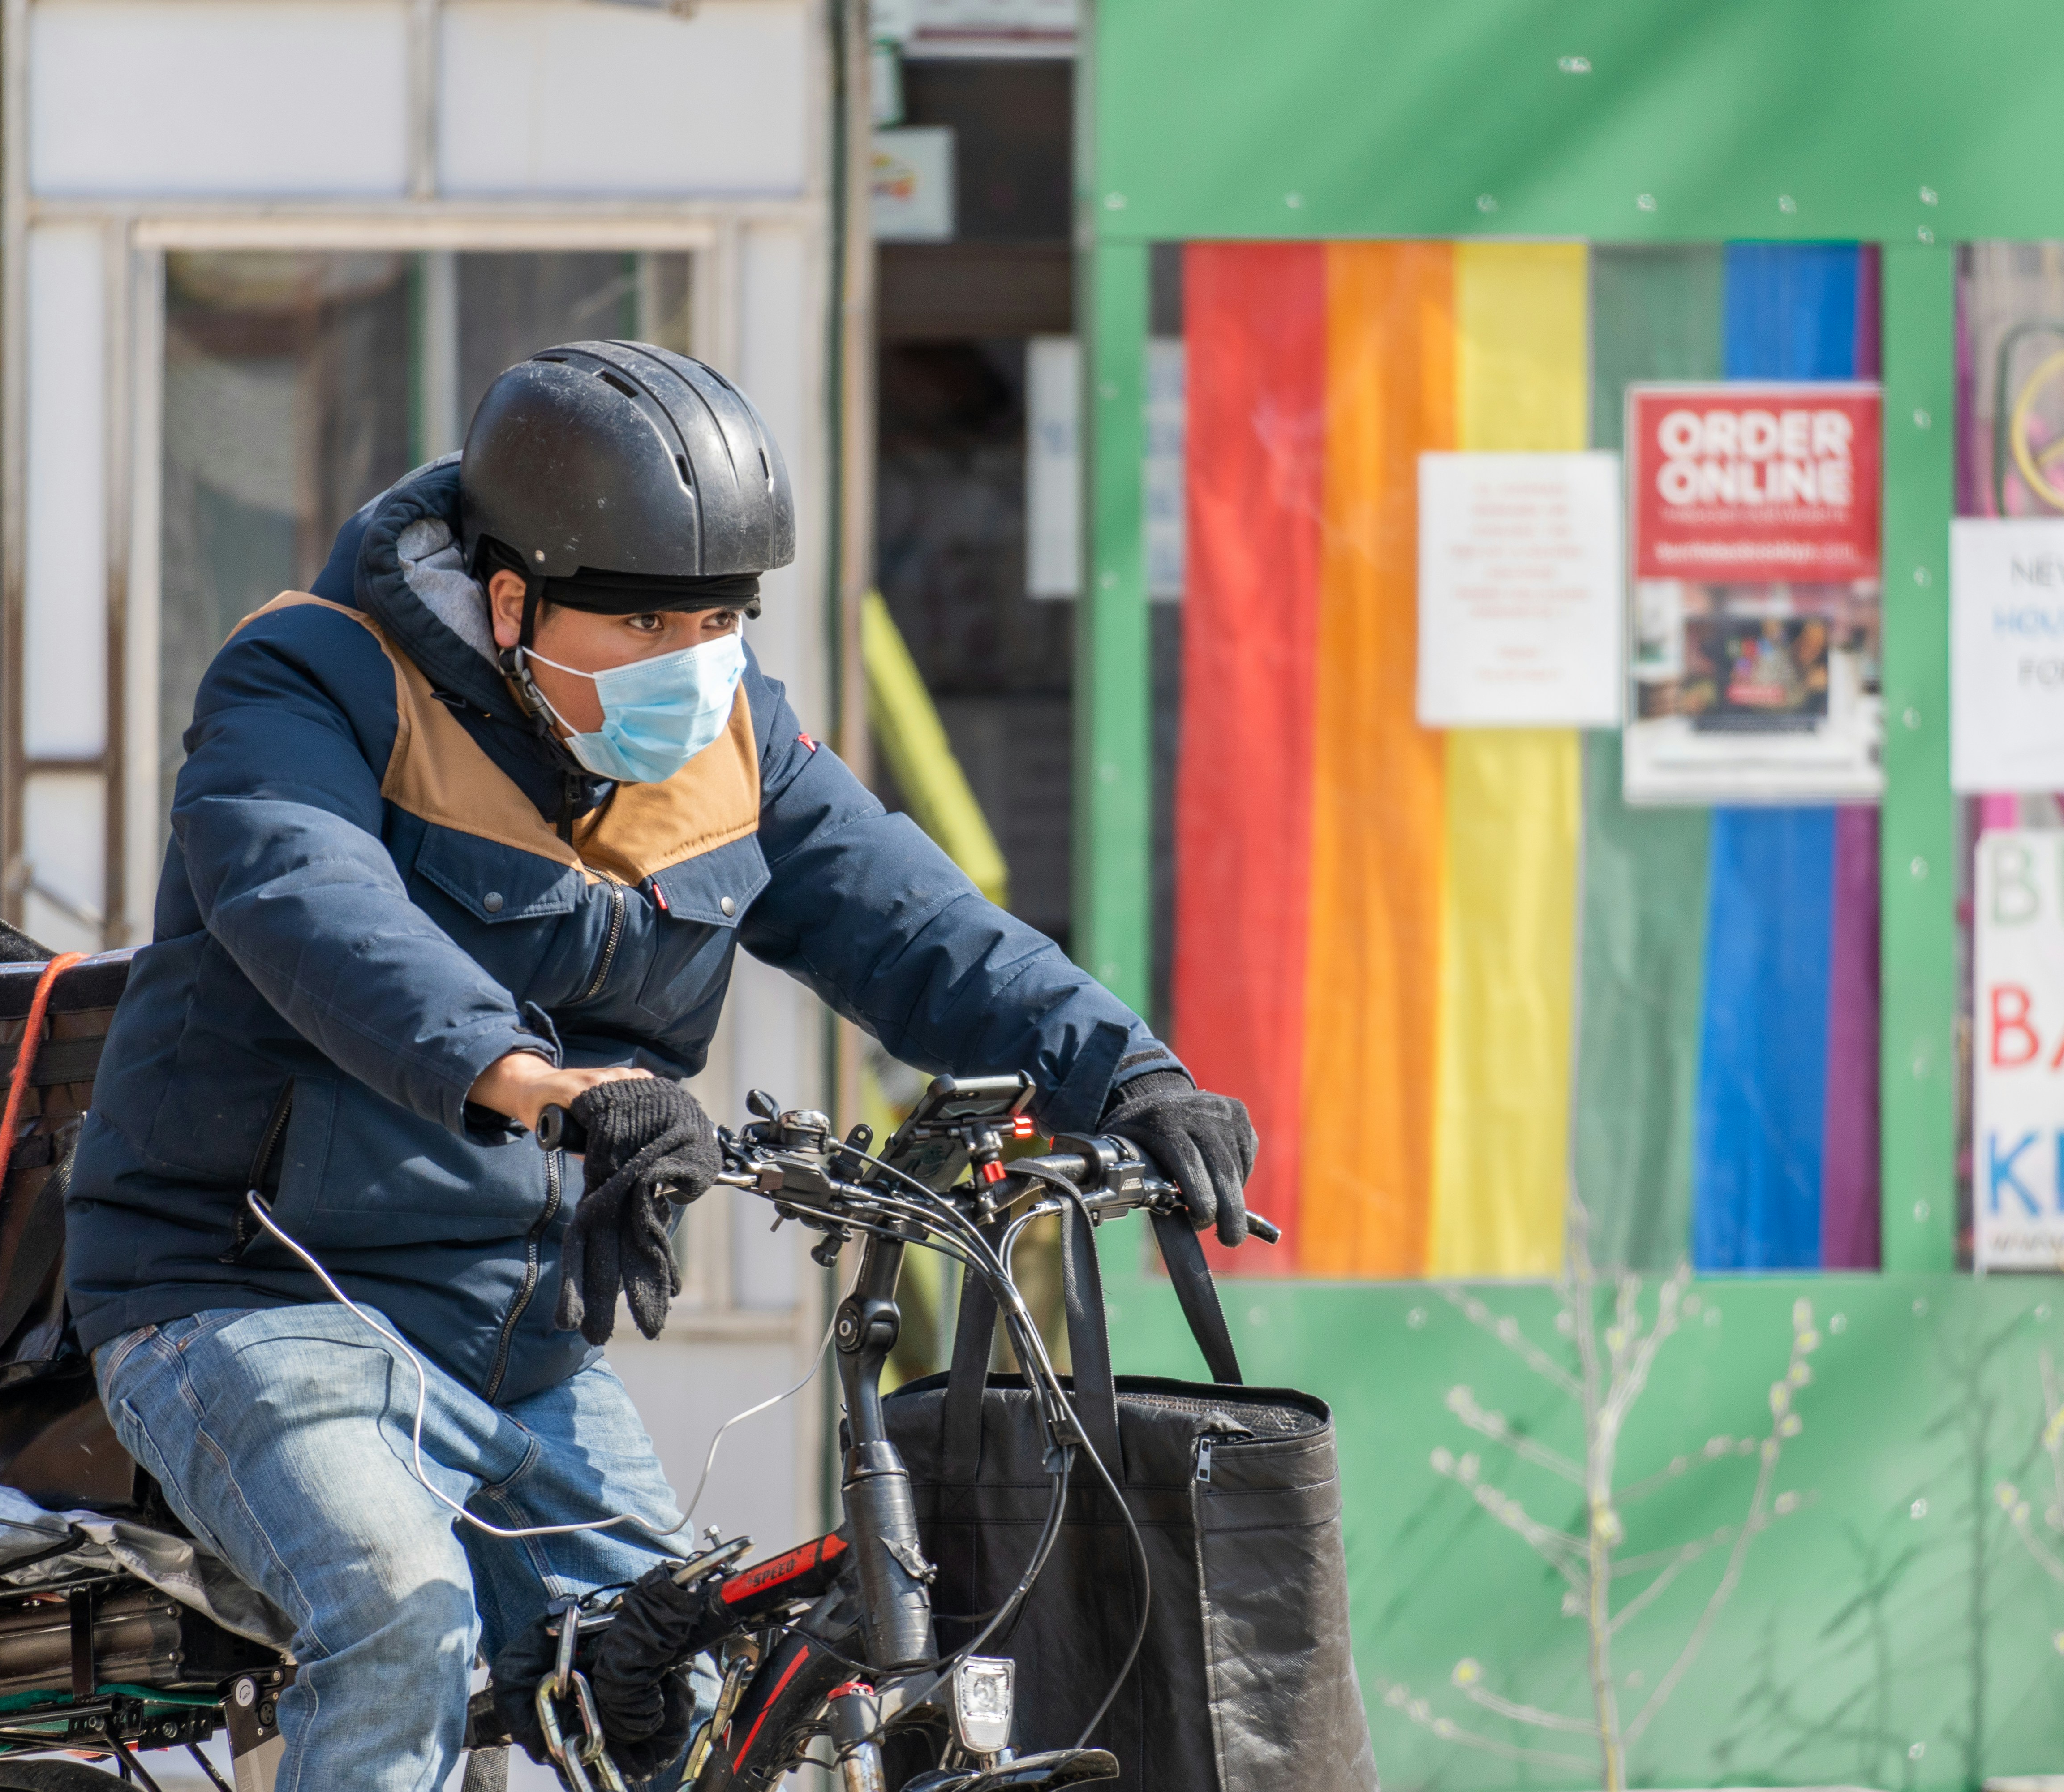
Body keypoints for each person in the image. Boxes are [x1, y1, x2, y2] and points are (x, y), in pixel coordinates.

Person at [62, 341, 1256, 1792]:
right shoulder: (309, 678)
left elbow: (919, 926)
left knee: (690, 1685)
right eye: (641, 620)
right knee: (399, 1615)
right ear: (511, 601)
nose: (692, 655)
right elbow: (307, 900)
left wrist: (1128, 1076)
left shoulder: (736, 733)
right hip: (248, 1300)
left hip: (518, 1341)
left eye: (720, 615)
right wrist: (548, 1084)